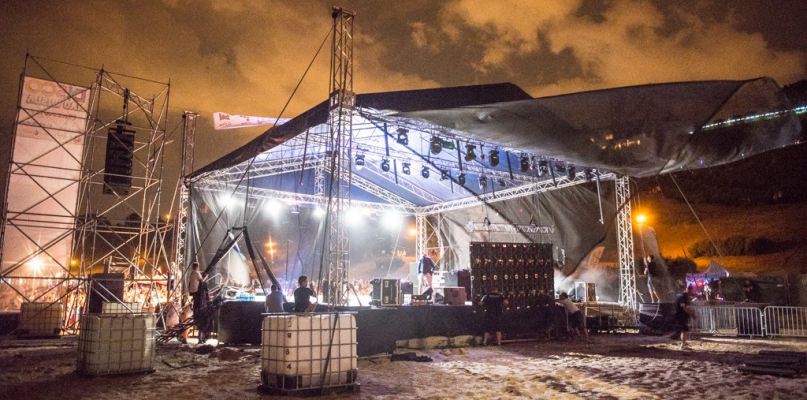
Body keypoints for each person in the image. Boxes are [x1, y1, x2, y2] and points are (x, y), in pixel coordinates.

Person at [669, 285, 696, 349]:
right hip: (680, 315)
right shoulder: (683, 297)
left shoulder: (683, 296)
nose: (692, 292)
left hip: (681, 315)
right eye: (692, 291)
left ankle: (683, 344)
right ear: (689, 290)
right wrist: (691, 314)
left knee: (683, 330)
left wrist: (690, 312)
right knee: (684, 330)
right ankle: (683, 345)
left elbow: (685, 307)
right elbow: (683, 307)